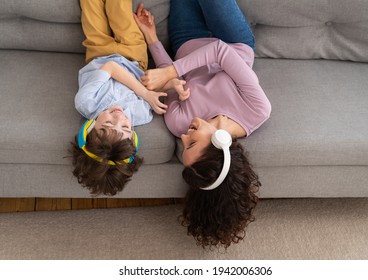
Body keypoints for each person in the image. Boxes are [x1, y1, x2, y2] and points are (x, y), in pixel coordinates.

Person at [134, 0, 272, 248]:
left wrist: (151, 36)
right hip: (232, 42)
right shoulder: (256, 111)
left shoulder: (178, 123)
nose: (184, 136)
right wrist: (170, 74)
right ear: (221, 143)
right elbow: (220, 51)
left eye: (184, 145)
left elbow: (169, 73)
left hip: (188, 41)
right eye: (193, 142)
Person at [70, 0, 170, 196]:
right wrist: (171, 84)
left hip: (98, 52)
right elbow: (152, 82)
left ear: (88, 128)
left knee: (91, 4)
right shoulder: (142, 114)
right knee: (118, 6)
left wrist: (145, 94)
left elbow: (111, 68)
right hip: (133, 55)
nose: (118, 117)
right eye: (125, 127)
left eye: (107, 124)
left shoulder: (86, 102)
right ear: (133, 136)